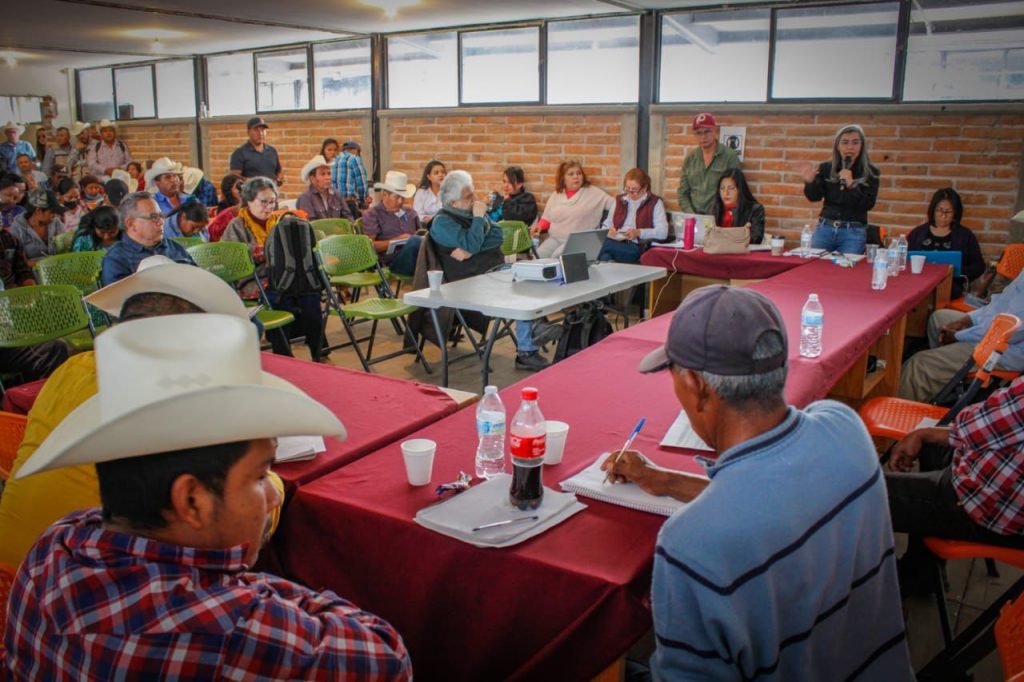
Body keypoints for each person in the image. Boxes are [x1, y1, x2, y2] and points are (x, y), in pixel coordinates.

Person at [4, 313, 412, 680]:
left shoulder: (54, 546)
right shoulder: (237, 632)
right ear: (192, 501)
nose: (271, 496)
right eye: (259, 476)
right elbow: (389, 658)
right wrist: (260, 587)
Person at [604, 285, 912, 680]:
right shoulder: (844, 427)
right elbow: (779, 499)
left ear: (698, 386)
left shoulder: (690, 543)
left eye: (674, 376)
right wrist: (664, 481)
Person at [0, 256, 255, 569]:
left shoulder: (71, 368)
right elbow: (233, 517)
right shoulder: (182, 395)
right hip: (97, 589)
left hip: (15, 576)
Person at [887, 375, 1024, 595]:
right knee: (935, 450)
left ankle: (874, 590)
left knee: (857, 495)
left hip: (984, 509)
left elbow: (976, 426)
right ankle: (919, 575)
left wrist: (925, 433)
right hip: (1004, 509)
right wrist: (926, 434)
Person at [430, 171, 551, 371]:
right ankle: (527, 349)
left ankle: (536, 327)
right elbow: (475, 241)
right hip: (468, 282)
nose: (476, 200)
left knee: (531, 273)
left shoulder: (469, 215)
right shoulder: (443, 222)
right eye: (469, 197)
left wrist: (471, 247)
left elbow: (498, 236)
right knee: (521, 282)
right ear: (453, 203)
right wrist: (478, 223)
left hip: (489, 272)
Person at [223, 177, 325, 362]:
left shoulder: (279, 223)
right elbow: (230, 258)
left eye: (272, 202)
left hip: (286, 275)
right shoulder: (237, 226)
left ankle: (320, 354)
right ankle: (284, 357)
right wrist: (263, 253)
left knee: (311, 297)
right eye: (263, 202)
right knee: (280, 298)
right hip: (256, 280)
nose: (269, 207)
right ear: (248, 200)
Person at [899, 269, 1024, 402]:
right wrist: (968, 320)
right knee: (939, 318)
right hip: (1000, 331)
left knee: (919, 364)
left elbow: (1010, 331)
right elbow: (999, 305)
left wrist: (958, 336)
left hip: (1008, 350)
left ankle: (926, 375)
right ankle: (939, 380)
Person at [0, 228, 70, 386]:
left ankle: (37, 399)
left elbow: (23, 273)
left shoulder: (8, 240)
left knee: (56, 347)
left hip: (7, 335)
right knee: (51, 350)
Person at [800, 124, 880, 255]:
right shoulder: (826, 168)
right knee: (815, 268)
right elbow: (814, 197)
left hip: (853, 232)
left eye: (855, 142)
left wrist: (851, 185)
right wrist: (810, 182)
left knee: (846, 271)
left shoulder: (871, 173)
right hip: (825, 228)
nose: (850, 147)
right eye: (845, 142)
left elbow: (868, 204)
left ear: (862, 146)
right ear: (837, 146)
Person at [906, 187, 985, 299]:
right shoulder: (918, 233)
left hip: (950, 287)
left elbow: (979, 266)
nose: (943, 215)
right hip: (918, 284)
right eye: (939, 210)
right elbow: (904, 258)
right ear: (933, 210)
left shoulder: (965, 235)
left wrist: (955, 271)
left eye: (948, 211)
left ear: (955, 214)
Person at [100, 192, 194, 285]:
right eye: (153, 217)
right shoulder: (117, 259)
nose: (161, 222)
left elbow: (197, 278)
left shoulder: (173, 247)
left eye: (161, 216)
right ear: (131, 223)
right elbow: (117, 298)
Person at [531, 160, 614, 259]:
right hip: (555, 238)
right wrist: (539, 226)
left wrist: (612, 226)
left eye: (579, 173)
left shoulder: (594, 193)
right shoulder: (556, 194)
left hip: (577, 241)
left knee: (556, 258)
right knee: (537, 257)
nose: (576, 176)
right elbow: (547, 218)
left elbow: (616, 204)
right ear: (563, 179)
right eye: (571, 174)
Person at [598, 167, 668, 264]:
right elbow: (606, 225)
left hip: (636, 247)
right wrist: (608, 231)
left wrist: (639, 232)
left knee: (599, 246)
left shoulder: (655, 202)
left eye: (634, 190)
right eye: (627, 189)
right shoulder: (620, 200)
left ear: (644, 188)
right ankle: (610, 264)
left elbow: (663, 232)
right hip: (615, 242)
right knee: (605, 257)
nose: (630, 194)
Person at [676, 112, 741, 215]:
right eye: (699, 133)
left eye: (707, 131)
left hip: (720, 219)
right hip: (694, 217)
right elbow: (682, 193)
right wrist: (691, 214)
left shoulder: (729, 157)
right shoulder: (690, 159)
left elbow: (737, 190)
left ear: (715, 130)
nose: (703, 137)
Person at [362, 170, 421, 277]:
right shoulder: (373, 214)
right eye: (396, 197)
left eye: (402, 197)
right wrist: (396, 240)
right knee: (415, 241)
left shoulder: (411, 212)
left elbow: (420, 234)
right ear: (385, 195)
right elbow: (368, 246)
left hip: (417, 256)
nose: (400, 201)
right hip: (392, 262)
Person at [9, 188, 67, 264]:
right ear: (38, 211)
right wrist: (46, 262)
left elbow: (65, 250)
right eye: (52, 212)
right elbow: (18, 263)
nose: (55, 215)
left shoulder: (56, 223)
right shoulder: (18, 229)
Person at [709, 168, 767, 245]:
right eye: (722, 189)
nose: (726, 193)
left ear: (740, 189)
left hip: (742, 255)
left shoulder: (755, 210)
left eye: (731, 188)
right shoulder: (714, 207)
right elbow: (706, 234)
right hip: (716, 252)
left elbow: (756, 239)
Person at [229, 116, 283, 185]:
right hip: (250, 194)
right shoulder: (239, 153)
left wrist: (278, 179)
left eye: (263, 130)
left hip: (271, 193)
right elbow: (234, 178)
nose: (260, 133)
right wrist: (252, 182)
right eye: (256, 130)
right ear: (248, 132)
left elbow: (279, 171)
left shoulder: (272, 151)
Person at [296, 154, 351, 221]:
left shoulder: (337, 194)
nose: (327, 177)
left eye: (329, 173)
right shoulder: (305, 198)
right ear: (313, 178)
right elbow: (310, 223)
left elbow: (347, 216)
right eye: (322, 174)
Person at [331, 140, 370, 218]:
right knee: (352, 228)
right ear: (355, 150)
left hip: (333, 204)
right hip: (348, 203)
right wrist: (363, 201)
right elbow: (361, 183)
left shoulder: (334, 160)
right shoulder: (354, 159)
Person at [413, 160, 446, 226]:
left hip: (445, 225)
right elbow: (417, 213)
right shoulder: (421, 192)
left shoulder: (450, 192)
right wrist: (426, 219)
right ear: (429, 177)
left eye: (443, 172)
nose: (440, 175)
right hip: (426, 226)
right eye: (436, 173)